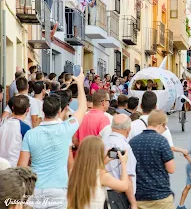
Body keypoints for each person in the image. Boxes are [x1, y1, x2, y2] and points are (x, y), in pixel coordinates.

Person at [17, 68, 87, 208]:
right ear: (60, 111)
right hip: (58, 190)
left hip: (35, 190)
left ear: (43, 110)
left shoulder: (31, 134)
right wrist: (79, 83)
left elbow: (22, 167)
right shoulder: (66, 128)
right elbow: (83, 108)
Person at [129, 110, 175, 209]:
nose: (165, 129)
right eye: (165, 127)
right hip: (160, 195)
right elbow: (171, 169)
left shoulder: (133, 142)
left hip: (139, 195)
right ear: (160, 125)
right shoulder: (161, 141)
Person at [67, 136, 129, 209]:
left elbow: (90, 171)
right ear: (99, 153)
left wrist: (104, 162)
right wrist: (123, 163)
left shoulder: (74, 172)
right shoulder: (101, 175)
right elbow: (124, 186)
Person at [103, 114, 137, 209]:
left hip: (102, 194)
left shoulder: (102, 143)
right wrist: (133, 203)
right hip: (118, 196)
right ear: (128, 129)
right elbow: (128, 177)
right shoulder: (125, 148)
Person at [0, 96, 31, 167]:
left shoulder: (3, 123)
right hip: (15, 168)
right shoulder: (25, 128)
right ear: (28, 110)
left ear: (13, 108)